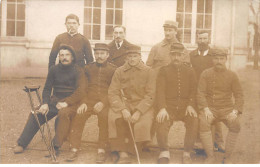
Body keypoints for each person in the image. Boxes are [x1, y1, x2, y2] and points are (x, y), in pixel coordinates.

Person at [14, 44, 85, 155]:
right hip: (55, 100)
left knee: (63, 114)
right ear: (59, 57)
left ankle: (55, 147)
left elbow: (81, 91)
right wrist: (45, 103)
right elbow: (47, 88)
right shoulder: (54, 69)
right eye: (61, 55)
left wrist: (66, 103)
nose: (64, 57)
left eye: (67, 55)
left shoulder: (79, 71)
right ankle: (21, 143)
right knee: (36, 113)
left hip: (71, 103)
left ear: (72, 57)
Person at [55, 43, 116, 163]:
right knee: (79, 116)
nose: (99, 56)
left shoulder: (113, 69)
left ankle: (101, 149)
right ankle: (74, 148)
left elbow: (113, 89)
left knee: (104, 118)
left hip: (105, 103)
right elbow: (82, 88)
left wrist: (103, 103)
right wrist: (83, 102)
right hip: (88, 101)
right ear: (94, 54)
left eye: (102, 53)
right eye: (97, 53)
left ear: (107, 55)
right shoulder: (88, 68)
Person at [108, 46, 155, 164]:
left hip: (143, 104)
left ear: (140, 56)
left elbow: (151, 94)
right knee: (115, 118)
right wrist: (123, 109)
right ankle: (122, 153)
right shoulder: (119, 71)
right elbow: (112, 92)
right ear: (126, 58)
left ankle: (132, 150)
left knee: (143, 123)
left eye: (135, 56)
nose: (132, 59)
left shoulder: (149, 71)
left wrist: (139, 111)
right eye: (129, 56)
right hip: (124, 103)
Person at [197, 49, 244, 164]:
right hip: (210, 108)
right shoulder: (206, 73)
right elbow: (200, 93)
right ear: (212, 60)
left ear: (226, 60)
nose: (219, 61)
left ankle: (227, 156)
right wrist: (206, 109)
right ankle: (210, 156)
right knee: (203, 122)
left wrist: (235, 111)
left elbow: (239, 95)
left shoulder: (232, 75)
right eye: (216, 59)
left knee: (236, 125)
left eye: (221, 59)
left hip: (226, 108)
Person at [155, 43, 198, 164]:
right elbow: (160, 91)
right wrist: (162, 108)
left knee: (194, 120)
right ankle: (164, 151)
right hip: (169, 107)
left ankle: (187, 152)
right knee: (161, 120)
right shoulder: (164, 71)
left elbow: (194, 90)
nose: (176, 58)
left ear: (183, 56)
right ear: (170, 55)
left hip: (185, 108)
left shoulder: (190, 71)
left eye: (179, 55)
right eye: (174, 55)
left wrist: (190, 105)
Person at [190, 30, 225, 152]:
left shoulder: (214, 55)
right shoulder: (192, 55)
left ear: (208, 39)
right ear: (197, 39)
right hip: (196, 91)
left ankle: (219, 142)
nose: (202, 41)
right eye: (200, 38)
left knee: (215, 116)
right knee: (200, 117)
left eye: (205, 38)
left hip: (211, 91)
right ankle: (199, 143)